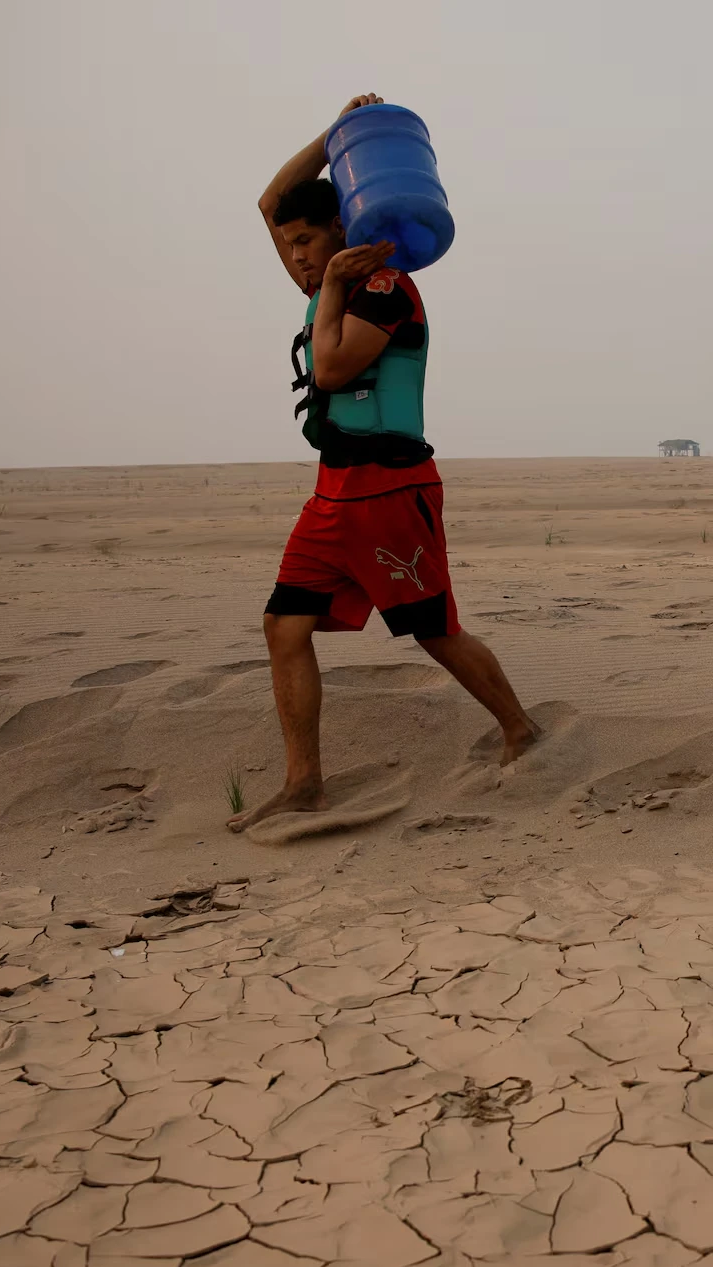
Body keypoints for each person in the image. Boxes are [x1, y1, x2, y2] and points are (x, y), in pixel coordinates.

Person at [230, 93, 540, 833]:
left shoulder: (384, 288)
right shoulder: (321, 285)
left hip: (392, 489)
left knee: (434, 629)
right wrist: (336, 132)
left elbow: (333, 371)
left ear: (345, 226)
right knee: (284, 626)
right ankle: (304, 782)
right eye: (293, 245)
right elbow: (271, 199)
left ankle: (520, 729)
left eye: (311, 240)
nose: (300, 255)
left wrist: (336, 280)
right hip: (332, 494)